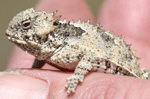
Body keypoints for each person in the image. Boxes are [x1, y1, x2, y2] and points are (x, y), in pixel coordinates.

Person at [1, 0, 150, 98]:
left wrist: (77, 77)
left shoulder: (64, 50)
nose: (20, 32)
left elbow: (88, 54)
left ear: (44, 32)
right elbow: (41, 57)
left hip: (126, 69)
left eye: (27, 25)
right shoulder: (48, 51)